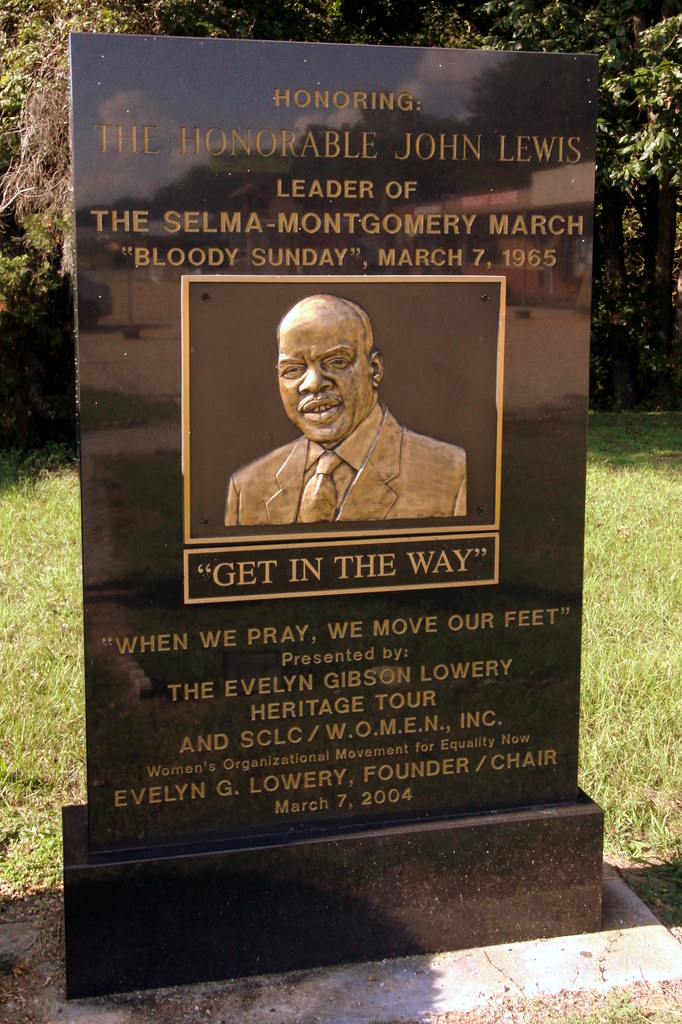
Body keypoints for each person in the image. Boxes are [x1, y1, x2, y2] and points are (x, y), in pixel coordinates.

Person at [225, 293, 466, 526]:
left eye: (336, 362)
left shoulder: (452, 475)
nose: (313, 383)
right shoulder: (246, 489)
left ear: (375, 369)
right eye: (293, 370)